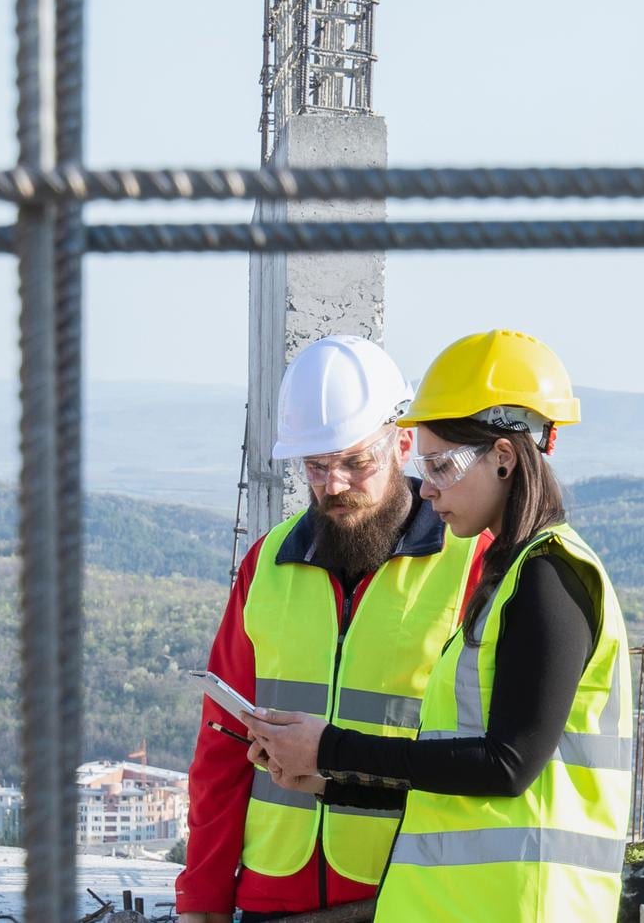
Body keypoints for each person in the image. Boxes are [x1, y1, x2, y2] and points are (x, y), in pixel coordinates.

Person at [244, 329, 633, 923]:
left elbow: (506, 766)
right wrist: (331, 780)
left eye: (443, 466)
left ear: (503, 458)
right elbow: (452, 771)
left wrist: (330, 746)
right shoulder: (509, 576)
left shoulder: (549, 579)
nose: (428, 489)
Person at [175, 335, 489, 923]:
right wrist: (203, 899)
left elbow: (485, 758)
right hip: (270, 895)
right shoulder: (266, 564)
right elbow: (221, 744)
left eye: (354, 462)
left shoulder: (471, 565)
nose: (333, 485)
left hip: (407, 896)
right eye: (316, 466)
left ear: (402, 443)